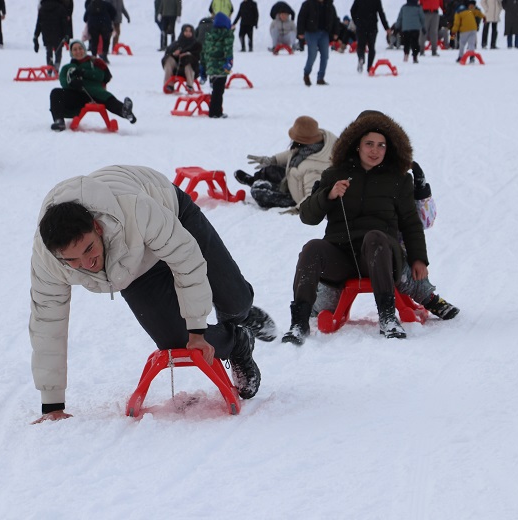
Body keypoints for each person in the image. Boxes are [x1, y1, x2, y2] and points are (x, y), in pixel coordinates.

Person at [29, 165, 276, 423]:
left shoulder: (136, 209)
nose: (86, 263)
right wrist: (52, 405)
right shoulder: (47, 260)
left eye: (89, 249)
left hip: (171, 217)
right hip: (133, 265)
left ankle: (240, 314)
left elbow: (186, 259)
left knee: (235, 303)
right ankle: (238, 341)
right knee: (175, 338)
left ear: (97, 227)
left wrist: (198, 328)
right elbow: (48, 322)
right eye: (73, 260)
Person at [281, 111, 457, 345]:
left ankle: (387, 317)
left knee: (375, 237)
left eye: (381, 145)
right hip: (342, 257)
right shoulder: (333, 175)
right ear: (357, 145)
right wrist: (328, 194)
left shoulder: (399, 179)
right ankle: (298, 323)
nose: (375, 150)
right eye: (369, 144)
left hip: (383, 255)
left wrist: (419, 259)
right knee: (312, 247)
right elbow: (308, 217)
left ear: (389, 148)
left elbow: (411, 223)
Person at [311, 159, 456, 320]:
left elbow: (423, 222)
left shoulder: (397, 184)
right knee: (329, 288)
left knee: (407, 274)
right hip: (348, 255)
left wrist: (421, 193)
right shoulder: (349, 182)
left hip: (390, 254)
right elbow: (327, 217)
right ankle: (319, 309)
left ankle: (430, 299)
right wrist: (322, 197)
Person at [234, 115, 337, 209]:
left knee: (258, 191)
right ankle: (253, 180)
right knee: (270, 169)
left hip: (295, 197)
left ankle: (257, 185)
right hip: (294, 179)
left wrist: (298, 209)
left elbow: (312, 196)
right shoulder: (313, 144)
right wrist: (272, 160)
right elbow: (293, 153)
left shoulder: (314, 168)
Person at [48, 40, 136, 131]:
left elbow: (100, 76)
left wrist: (84, 72)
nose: (78, 51)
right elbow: (63, 81)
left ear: (84, 50)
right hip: (77, 95)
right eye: (75, 49)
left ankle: (125, 111)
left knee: (107, 98)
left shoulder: (93, 63)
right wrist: (72, 84)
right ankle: (59, 121)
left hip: (95, 93)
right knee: (56, 93)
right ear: (71, 52)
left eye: (80, 48)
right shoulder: (67, 67)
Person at [297, 0, 339, 86]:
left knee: (325, 56)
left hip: (324, 33)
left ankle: (320, 78)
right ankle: (306, 73)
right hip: (311, 32)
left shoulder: (329, 5)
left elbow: (334, 19)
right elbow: (301, 18)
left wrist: (336, 32)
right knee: (312, 54)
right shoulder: (307, 4)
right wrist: (300, 32)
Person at [203, 12, 233, 119]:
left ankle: (213, 110)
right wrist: (229, 61)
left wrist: (204, 66)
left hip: (211, 67)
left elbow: (205, 51)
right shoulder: (227, 34)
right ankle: (216, 112)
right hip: (221, 66)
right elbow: (228, 49)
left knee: (215, 90)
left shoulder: (210, 34)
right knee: (219, 91)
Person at [350, 0, 391, 73]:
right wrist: (386, 27)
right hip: (372, 26)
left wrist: (357, 21)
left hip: (361, 26)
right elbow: (381, 13)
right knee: (371, 47)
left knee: (361, 46)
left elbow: (352, 10)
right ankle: (369, 68)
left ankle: (361, 58)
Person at [162, 24, 200, 93]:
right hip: (177, 68)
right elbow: (167, 53)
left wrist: (188, 54)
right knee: (169, 59)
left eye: (190, 31)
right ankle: (169, 85)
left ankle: (189, 86)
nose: (188, 33)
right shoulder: (176, 43)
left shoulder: (196, 44)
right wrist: (174, 54)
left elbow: (199, 56)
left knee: (188, 60)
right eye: (186, 31)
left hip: (190, 68)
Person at [34, 0, 69, 73]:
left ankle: (49, 68)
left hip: (46, 33)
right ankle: (56, 68)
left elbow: (39, 23)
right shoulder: (60, 7)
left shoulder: (42, 8)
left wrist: (36, 35)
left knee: (49, 51)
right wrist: (66, 34)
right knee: (58, 52)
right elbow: (64, 23)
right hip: (58, 33)